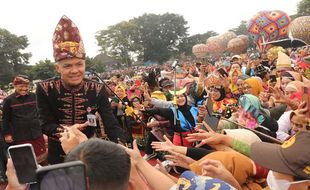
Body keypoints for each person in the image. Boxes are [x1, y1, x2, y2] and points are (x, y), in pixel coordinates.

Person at [36, 15, 125, 164]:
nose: (74, 70)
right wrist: (67, 131)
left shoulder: (97, 88)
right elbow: (44, 124)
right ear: (57, 68)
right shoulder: (45, 88)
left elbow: (110, 122)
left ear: (85, 64)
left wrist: (122, 146)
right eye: (67, 66)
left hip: (89, 149)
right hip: (57, 151)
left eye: (79, 64)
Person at [2, 75, 46, 163]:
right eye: (21, 86)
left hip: (36, 133)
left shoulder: (34, 96)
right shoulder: (8, 100)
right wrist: (7, 134)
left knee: (42, 158)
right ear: (15, 86)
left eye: (26, 86)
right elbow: (5, 119)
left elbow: (41, 113)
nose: (24, 89)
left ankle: (44, 174)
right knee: (25, 161)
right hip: (20, 136)